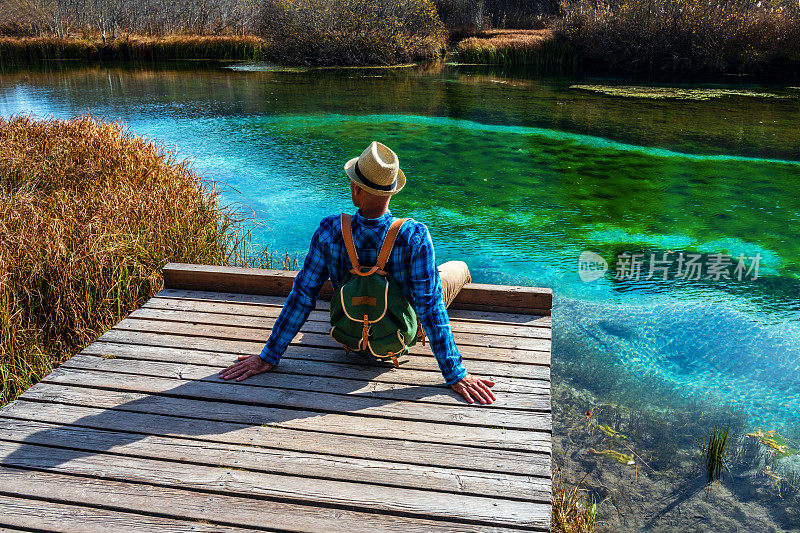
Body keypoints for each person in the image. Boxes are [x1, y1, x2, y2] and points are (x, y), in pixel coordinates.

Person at [220, 141, 496, 405]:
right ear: (391, 192)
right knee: (458, 269)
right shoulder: (415, 235)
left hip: (348, 335)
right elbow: (431, 309)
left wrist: (268, 356)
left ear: (356, 190)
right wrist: (455, 373)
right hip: (397, 340)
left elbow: (302, 297)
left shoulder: (330, 231)